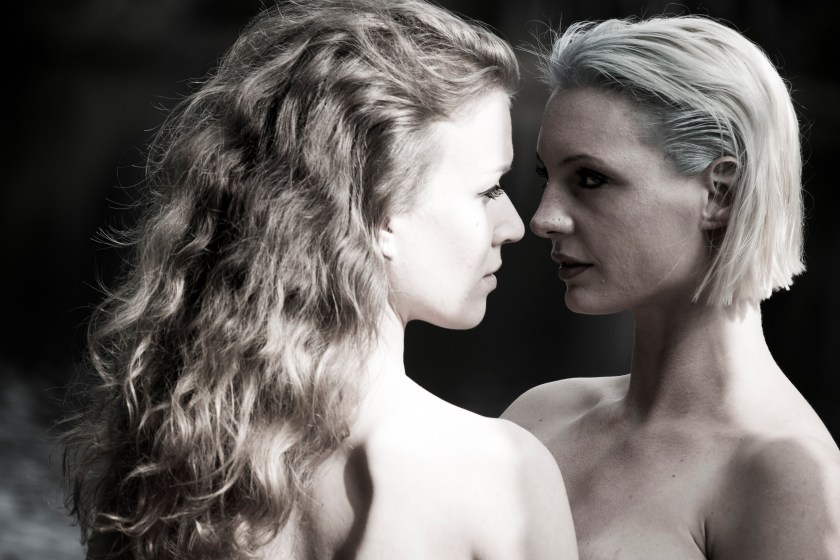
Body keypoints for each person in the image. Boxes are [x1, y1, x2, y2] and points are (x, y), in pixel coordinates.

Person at [61, 1, 579, 559]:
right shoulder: (501, 477)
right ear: (382, 210)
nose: (514, 226)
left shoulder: (171, 451)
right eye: (488, 190)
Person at [502, 15, 840, 559]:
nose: (544, 219)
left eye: (590, 178)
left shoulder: (783, 474)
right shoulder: (538, 417)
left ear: (720, 195)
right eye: (548, 176)